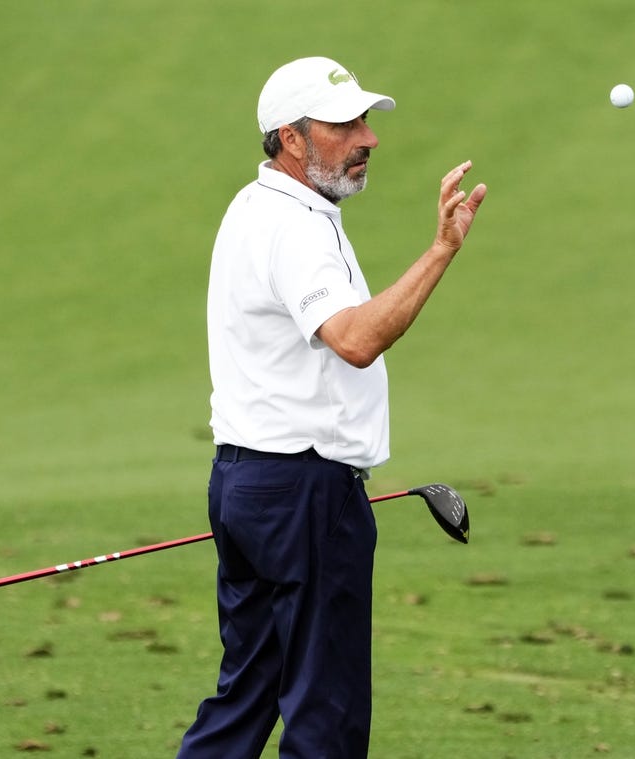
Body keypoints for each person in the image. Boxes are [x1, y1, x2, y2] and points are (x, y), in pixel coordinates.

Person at [177, 56, 487, 759]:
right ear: (292, 139)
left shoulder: (259, 205)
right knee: (328, 715)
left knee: (245, 697)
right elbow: (354, 340)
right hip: (302, 493)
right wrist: (441, 251)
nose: (367, 138)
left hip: (247, 486)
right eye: (344, 124)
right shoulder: (294, 227)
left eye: (365, 122)